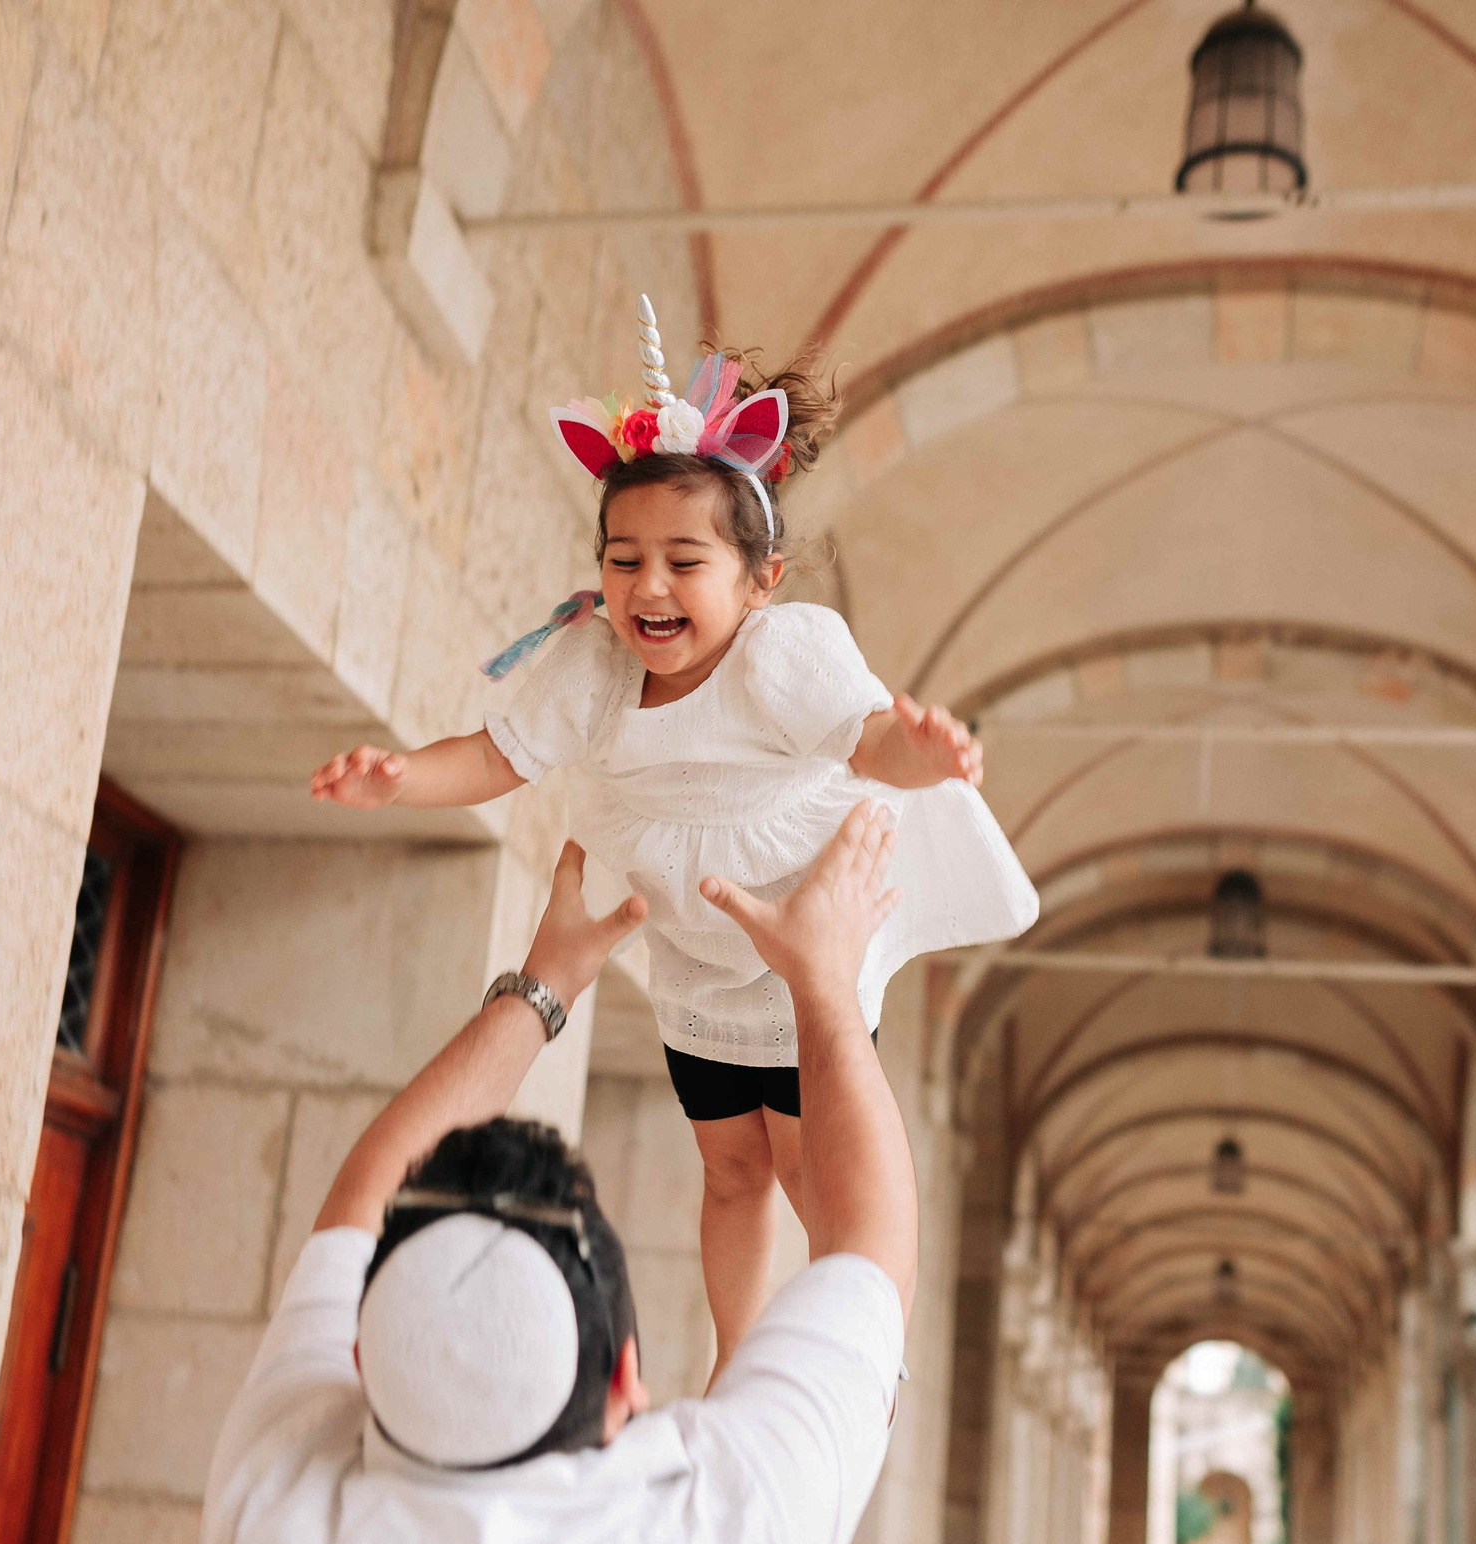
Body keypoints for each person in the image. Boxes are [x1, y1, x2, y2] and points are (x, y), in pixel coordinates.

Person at [310, 295, 1035, 1375]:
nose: (646, 586)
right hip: (698, 952)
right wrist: (401, 777)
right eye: (622, 557)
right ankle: (734, 1355)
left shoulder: (781, 655)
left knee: (800, 1164)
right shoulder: (594, 666)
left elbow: (867, 739)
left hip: (797, 939)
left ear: (759, 581)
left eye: (683, 562)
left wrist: (920, 753)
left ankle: (848, 1354)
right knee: (730, 1167)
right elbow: (497, 755)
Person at [198, 804, 922, 1544]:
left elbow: (872, 1252)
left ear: (360, 1355)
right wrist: (823, 983)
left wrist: (549, 986)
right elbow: (872, 1243)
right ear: (626, 1379)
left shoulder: (275, 1520)